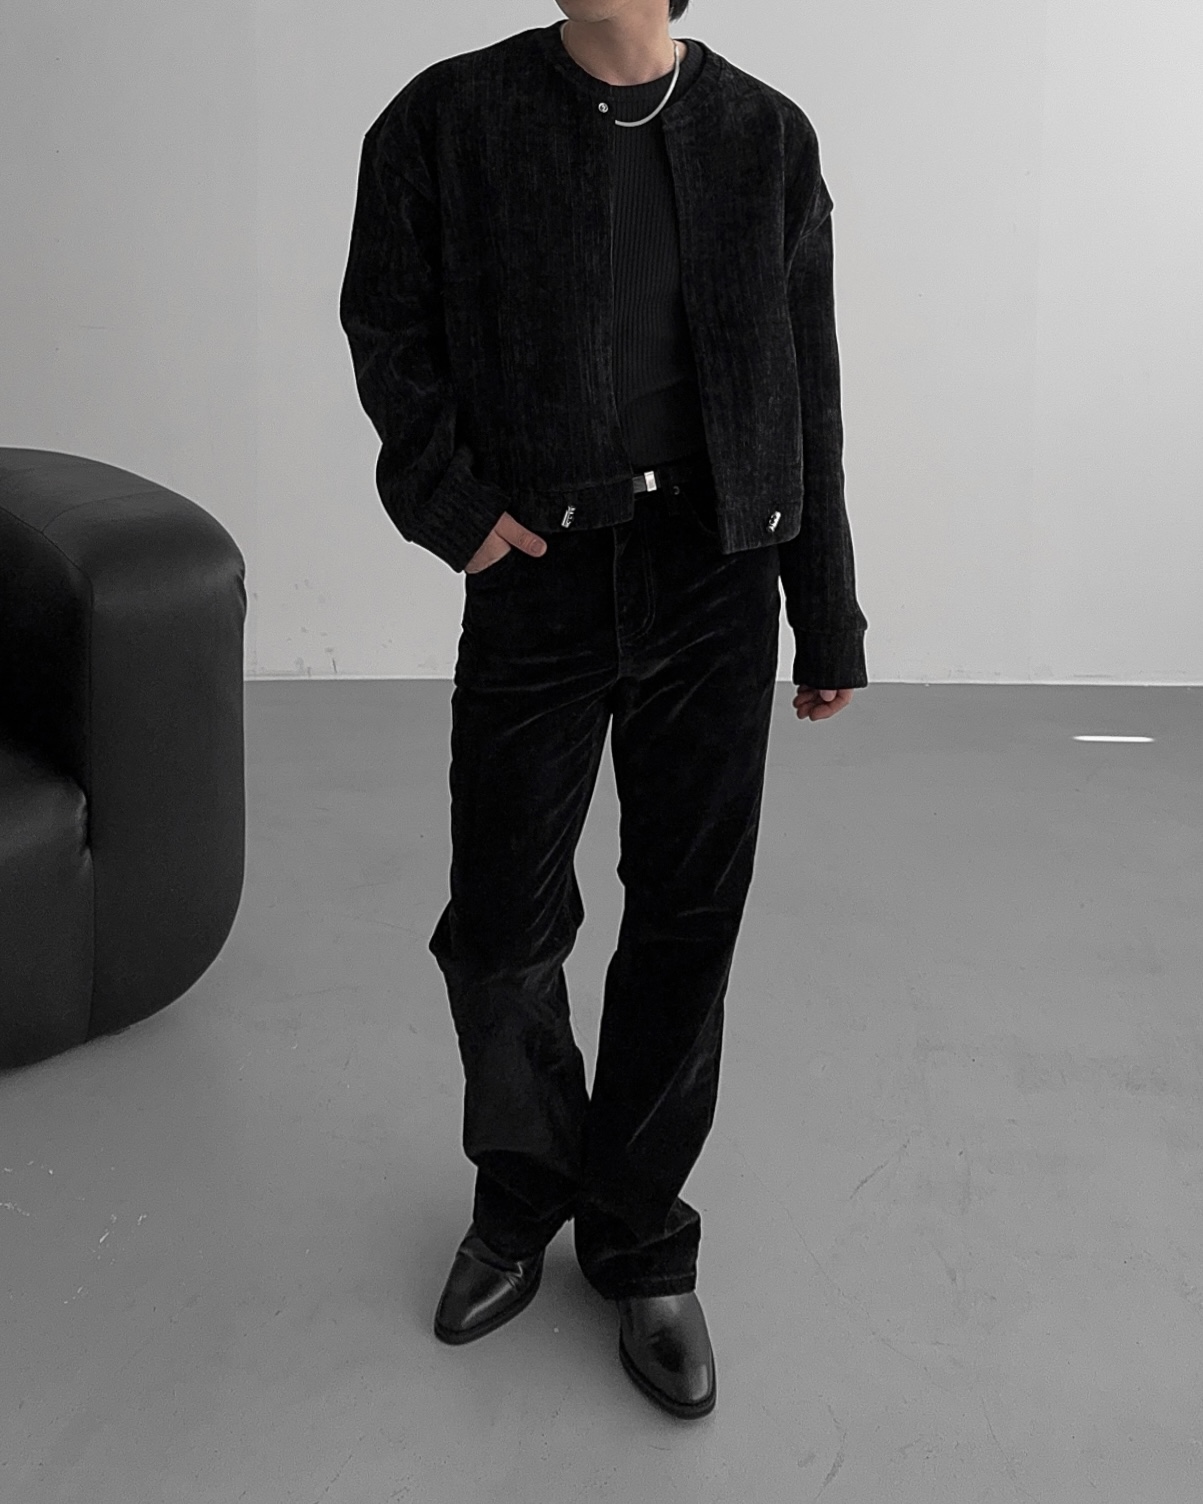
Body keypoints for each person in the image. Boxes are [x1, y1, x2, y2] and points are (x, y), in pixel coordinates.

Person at [339, 0, 868, 1420]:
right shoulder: (448, 118)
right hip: (541, 576)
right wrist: (451, 505)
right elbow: (386, 324)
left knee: (688, 914)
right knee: (503, 922)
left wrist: (826, 610)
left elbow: (806, 384)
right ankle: (520, 1199)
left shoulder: (764, 137)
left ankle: (638, 1239)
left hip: (717, 573)